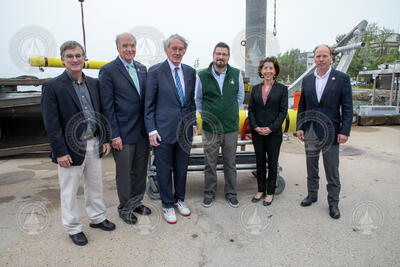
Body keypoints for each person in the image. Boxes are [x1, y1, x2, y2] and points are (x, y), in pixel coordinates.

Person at [41, 41, 115, 246]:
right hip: (69, 148)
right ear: (63, 59)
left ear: (84, 58)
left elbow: (101, 113)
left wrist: (106, 138)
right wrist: (60, 152)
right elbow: (51, 123)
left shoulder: (94, 83)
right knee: (69, 190)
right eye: (69, 56)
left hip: (94, 143)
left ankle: (97, 217)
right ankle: (73, 227)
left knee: (95, 185)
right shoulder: (52, 86)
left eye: (78, 55)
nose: (74, 59)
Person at [99, 33, 151, 225]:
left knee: (140, 171)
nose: (129, 49)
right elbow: (107, 106)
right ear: (118, 48)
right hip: (122, 134)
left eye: (132, 45)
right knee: (124, 173)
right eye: (125, 45)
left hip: (142, 133)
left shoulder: (142, 68)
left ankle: (137, 202)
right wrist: (114, 135)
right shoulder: (108, 71)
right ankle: (125, 208)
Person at [296, 44, 353, 219]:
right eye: (318, 56)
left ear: (331, 58)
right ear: (314, 58)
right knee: (311, 166)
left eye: (324, 56)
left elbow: (348, 108)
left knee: (331, 169)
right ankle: (312, 195)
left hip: (332, 131)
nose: (321, 59)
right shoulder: (307, 80)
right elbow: (302, 106)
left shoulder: (342, 78)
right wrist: (300, 126)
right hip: (311, 130)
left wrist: (345, 131)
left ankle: (333, 203)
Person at [144, 34, 196, 224]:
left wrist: (193, 123)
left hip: (185, 131)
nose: (177, 52)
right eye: (173, 48)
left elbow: (190, 102)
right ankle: (167, 204)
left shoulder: (190, 72)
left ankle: (179, 200)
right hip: (162, 132)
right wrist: (151, 130)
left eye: (180, 49)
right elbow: (148, 104)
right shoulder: (155, 72)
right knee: (164, 170)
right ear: (166, 50)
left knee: (181, 169)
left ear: (184, 51)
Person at [195, 42, 244, 208]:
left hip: (230, 128)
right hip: (211, 129)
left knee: (230, 163)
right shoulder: (202, 76)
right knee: (210, 163)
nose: (221, 57)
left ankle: (231, 193)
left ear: (228, 57)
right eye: (218, 53)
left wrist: (228, 113)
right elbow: (198, 100)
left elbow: (240, 98)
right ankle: (209, 192)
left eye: (224, 54)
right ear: (213, 55)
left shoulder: (236, 74)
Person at [248, 57, 288, 206]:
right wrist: (256, 126)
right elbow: (251, 110)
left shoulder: (282, 89)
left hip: (274, 134)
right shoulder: (255, 89)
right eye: (265, 68)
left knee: (272, 163)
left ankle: (270, 192)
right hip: (257, 133)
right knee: (259, 163)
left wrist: (271, 127)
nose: (268, 71)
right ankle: (260, 190)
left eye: (271, 68)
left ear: (275, 70)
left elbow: (283, 112)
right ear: (261, 70)